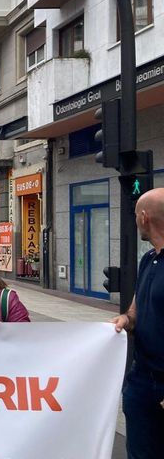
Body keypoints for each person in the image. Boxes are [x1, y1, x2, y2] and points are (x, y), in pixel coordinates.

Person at [112, 188, 164, 457]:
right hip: (142, 382)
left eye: (135, 215)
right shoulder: (148, 259)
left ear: (144, 217)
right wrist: (126, 319)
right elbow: (136, 310)